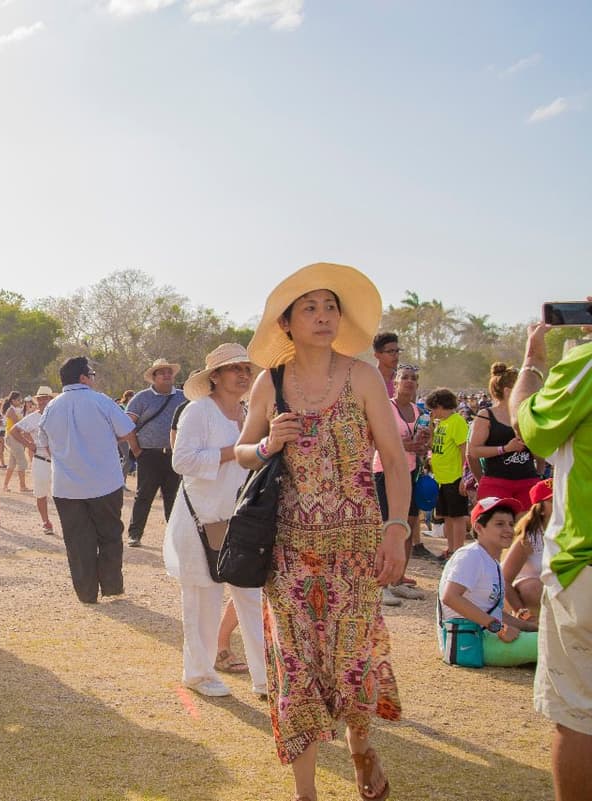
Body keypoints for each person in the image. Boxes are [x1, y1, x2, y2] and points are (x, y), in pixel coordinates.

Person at [236, 263, 408, 801]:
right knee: (295, 667)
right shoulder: (270, 382)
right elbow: (242, 452)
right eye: (309, 308)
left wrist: (397, 531)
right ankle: (305, 791)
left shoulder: (362, 376)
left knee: (351, 661)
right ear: (286, 323)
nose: (322, 316)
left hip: (356, 550)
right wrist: (268, 444)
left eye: (330, 306)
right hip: (288, 552)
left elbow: (394, 460)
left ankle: (361, 749)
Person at [510, 317, 592, 801]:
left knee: (578, 714)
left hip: (584, 561)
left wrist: (533, 363)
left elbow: (530, 425)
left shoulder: (587, 362)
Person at [163, 344, 267, 699]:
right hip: (201, 520)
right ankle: (199, 674)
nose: (243, 375)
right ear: (215, 377)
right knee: (202, 601)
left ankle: (265, 679)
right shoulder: (198, 411)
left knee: (252, 598)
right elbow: (182, 461)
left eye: (246, 369)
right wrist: (236, 452)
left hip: (242, 520)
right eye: (234, 368)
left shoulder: (250, 413)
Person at [40, 356, 135, 604]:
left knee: (77, 540)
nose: (93, 378)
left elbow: (45, 445)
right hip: (104, 482)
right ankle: (112, 586)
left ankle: (86, 592)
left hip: (66, 486)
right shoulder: (101, 400)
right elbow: (127, 430)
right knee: (109, 534)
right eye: (91, 374)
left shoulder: (51, 407)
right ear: (83, 377)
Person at [438, 496, 538, 666]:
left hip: (482, 635)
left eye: (511, 524)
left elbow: (493, 611)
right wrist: (498, 627)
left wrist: (530, 627)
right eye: (499, 524)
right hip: (469, 641)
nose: (508, 529)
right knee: (553, 645)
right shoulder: (471, 555)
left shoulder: (491, 561)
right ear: (479, 527)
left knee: (550, 638)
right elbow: (450, 597)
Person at [372, 364, 433, 606]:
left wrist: (424, 444)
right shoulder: (386, 407)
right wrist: (403, 445)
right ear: (395, 383)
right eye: (404, 377)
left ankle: (397, 580)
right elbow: (374, 439)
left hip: (411, 471)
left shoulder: (419, 412)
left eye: (413, 378)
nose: (409, 381)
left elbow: (426, 443)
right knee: (387, 527)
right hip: (385, 471)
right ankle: (380, 584)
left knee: (408, 525)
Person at [124, 358, 186, 547]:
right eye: (162, 372)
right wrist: (136, 450)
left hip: (174, 455)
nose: (167, 375)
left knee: (173, 497)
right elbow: (127, 425)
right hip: (149, 455)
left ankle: (174, 538)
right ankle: (135, 534)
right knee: (144, 495)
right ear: (153, 377)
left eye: (169, 372)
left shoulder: (184, 397)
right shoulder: (141, 398)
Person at [467, 363, 541, 507]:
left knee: (528, 522)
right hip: (496, 482)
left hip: (528, 481)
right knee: (499, 521)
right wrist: (505, 448)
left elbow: (540, 453)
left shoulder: (529, 414)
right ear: (508, 391)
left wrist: (539, 473)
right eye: (522, 389)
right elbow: (473, 451)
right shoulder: (486, 415)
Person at [426, 388, 470, 560]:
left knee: (457, 517)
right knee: (447, 516)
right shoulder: (442, 423)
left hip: (455, 476)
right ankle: (451, 549)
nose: (432, 412)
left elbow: (464, 449)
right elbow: (433, 446)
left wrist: (464, 476)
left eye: (433, 408)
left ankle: (457, 552)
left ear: (439, 405)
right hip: (442, 478)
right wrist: (430, 426)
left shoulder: (457, 421)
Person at [10, 385, 57, 535]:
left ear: (51, 399)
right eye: (40, 399)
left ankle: (66, 522)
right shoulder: (33, 417)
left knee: (63, 494)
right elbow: (14, 431)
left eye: (45, 398)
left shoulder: (59, 415)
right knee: (41, 493)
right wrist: (29, 444)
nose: (42, 401)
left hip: (59, 461)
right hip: (41, 459)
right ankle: (46, 522)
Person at [502, 479, 552, 621]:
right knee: (533, 587)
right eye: (553, 501)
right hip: (521, 598)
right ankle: (532, 622)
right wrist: (522, 613)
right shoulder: (529, 539)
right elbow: (503, 580)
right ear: (541, 509)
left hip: (555, 593)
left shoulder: (570, 533)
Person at [0, 391, 29, 493]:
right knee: (22, 461)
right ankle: (22, 486)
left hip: (14, 437)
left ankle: (5, 485)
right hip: (12, 437)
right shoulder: (11, 410)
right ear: (13, 400)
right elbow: (18, 423)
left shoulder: (14, 409)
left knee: (12, 463)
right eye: (18, 400)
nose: (20, 401)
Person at [371, 332, 401, 398]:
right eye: (390, 351)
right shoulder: (369, 379)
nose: (396, 355)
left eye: (397, 351)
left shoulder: (402, 381)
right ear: (377, 355)